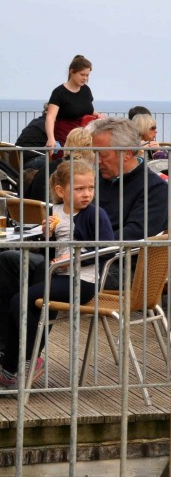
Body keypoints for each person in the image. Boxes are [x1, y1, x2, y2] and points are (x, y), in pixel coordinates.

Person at [0, 160, 114, 388]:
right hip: (58, 276)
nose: (87, 194)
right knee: (21, 303)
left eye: (91, 188)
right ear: (61, 191)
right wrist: (47, 235)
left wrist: (74, 257)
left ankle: (28, 361)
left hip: (83, 281)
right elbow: (52, 251)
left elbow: (107, 249)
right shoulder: (55, 211)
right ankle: (11, 367)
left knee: (21, 300)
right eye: (80, 189)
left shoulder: (95, 214)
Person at [91, 117, 170, 242]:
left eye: (103, 155)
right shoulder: (94, 181)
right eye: (94, 153)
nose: (97, 160)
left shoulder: (155, 188)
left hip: (116, 258)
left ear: (127, 154)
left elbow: (136, 233)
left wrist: (85, 247)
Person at [24, 126, 96, 203]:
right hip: (54, 213)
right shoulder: (78, 173)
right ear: (89, 149)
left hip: (32, 212)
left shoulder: (49, 167)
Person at [45, 55, 102, 149]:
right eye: (82, 74)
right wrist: (51, 139)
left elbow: (86, 109)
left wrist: (98, 115)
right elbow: (50, 117)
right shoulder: (59, 92)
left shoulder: (86, 90)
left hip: (83, 138)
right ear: (71, 72)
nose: (85, 78)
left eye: (87, 75)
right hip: (64, 138)